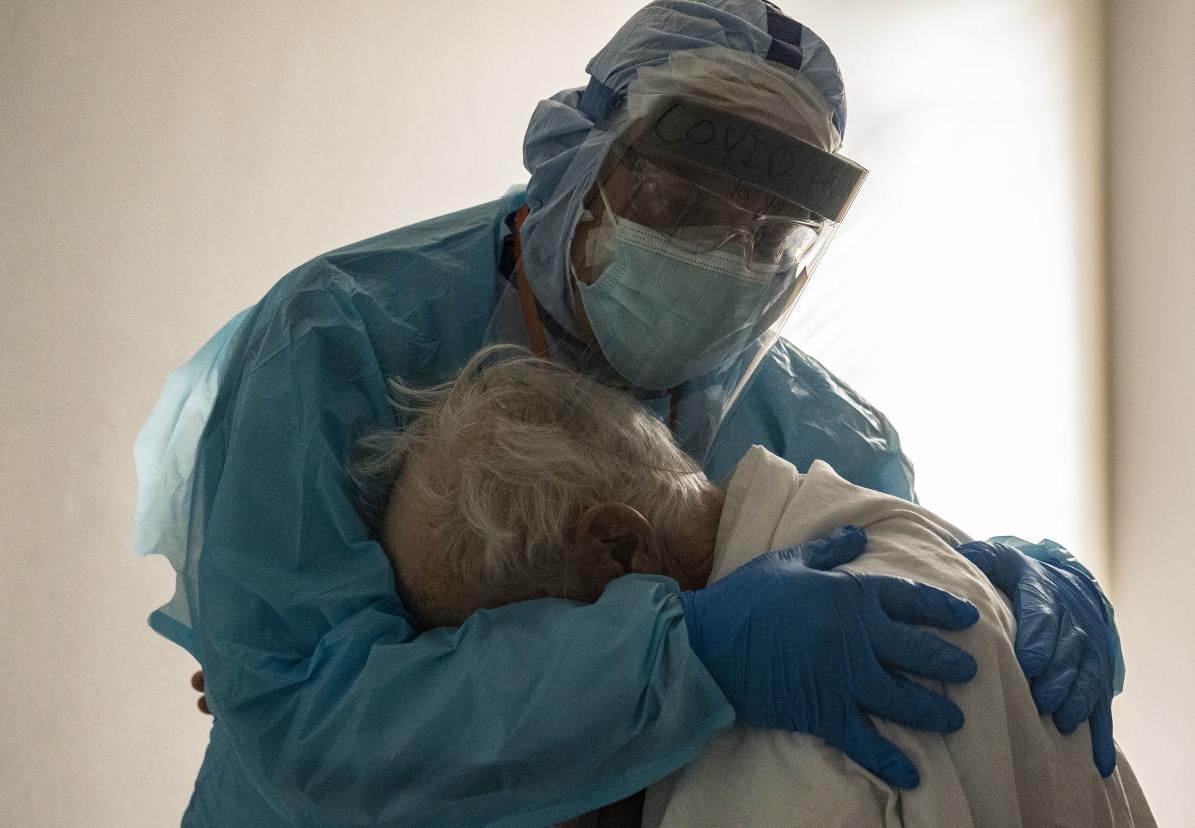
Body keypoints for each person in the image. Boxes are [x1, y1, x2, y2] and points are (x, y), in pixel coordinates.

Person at [140, 2, 1123, 824]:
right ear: (576, 161)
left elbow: (894, 603)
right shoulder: (342, 337)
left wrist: (996, 582)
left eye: (772, 234)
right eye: (685, 204)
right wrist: (682, 654)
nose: (725, 258)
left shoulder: (820, 428)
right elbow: (301, 714)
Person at [349, 344, 1153, 827]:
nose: (538, 704)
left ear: (622, 548)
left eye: (521, 643)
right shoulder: (887, 535)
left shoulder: (792, 746)